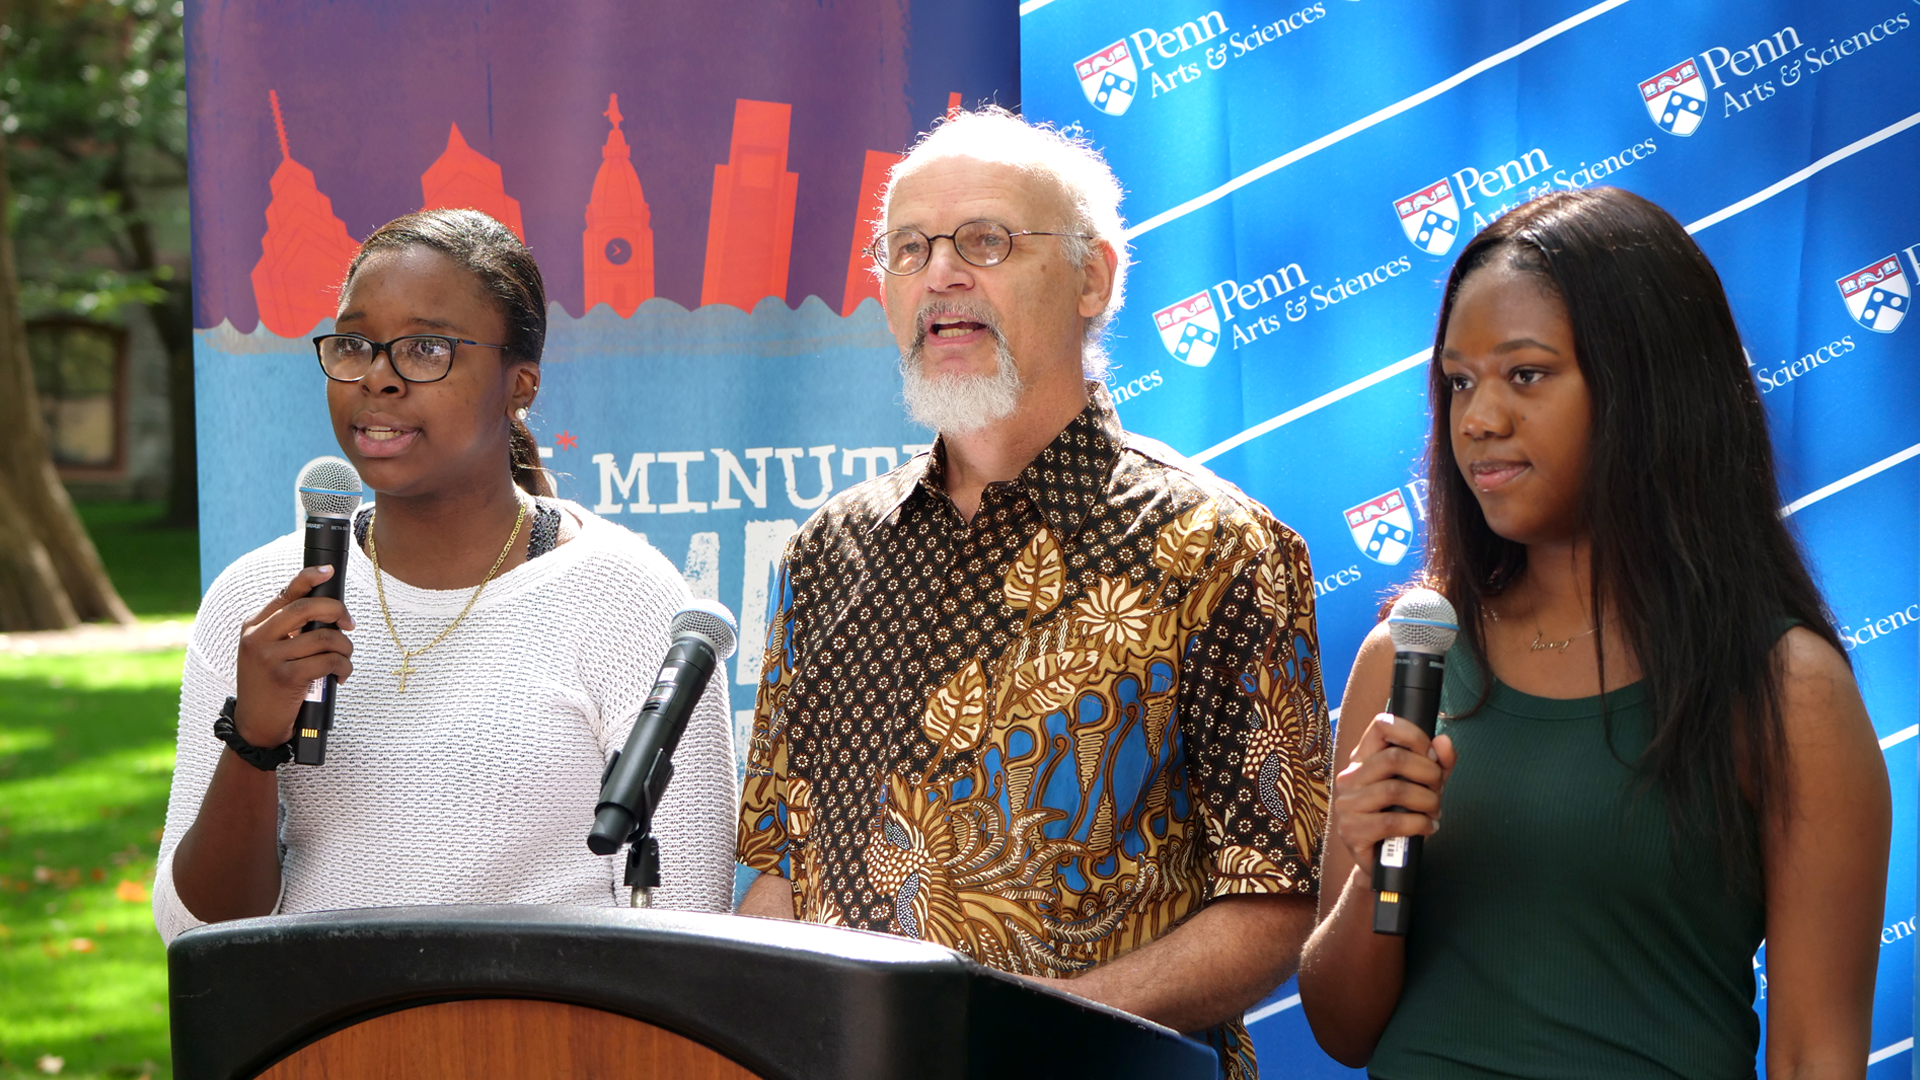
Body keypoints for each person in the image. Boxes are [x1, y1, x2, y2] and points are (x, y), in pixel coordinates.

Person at [734, 108, 1333, 1080]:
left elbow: (1275, 903)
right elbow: (784, 876)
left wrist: (1010, 1030)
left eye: (985, 242)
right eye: (909, 248)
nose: (940, 276)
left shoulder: (1221, 547)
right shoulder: (828, 553)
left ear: (1093, 277)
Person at [1298, 187, 1891, 1078]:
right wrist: (1365, 848)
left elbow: (1817, 1055)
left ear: (1648, 384)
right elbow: (1344, 1031)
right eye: (1459, 381)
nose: (1478, 419)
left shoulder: (1783, 687)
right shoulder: (1410, 658)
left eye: (1525, 374)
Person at [154, 209, 737, 942]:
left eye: (426, 349)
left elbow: (683, 927)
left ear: (518, 383)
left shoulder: (628, 600)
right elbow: (191, 929)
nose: (378, 379)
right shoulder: (259, 597)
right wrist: (253, 736)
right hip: (319, 1046)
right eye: (357, 343)